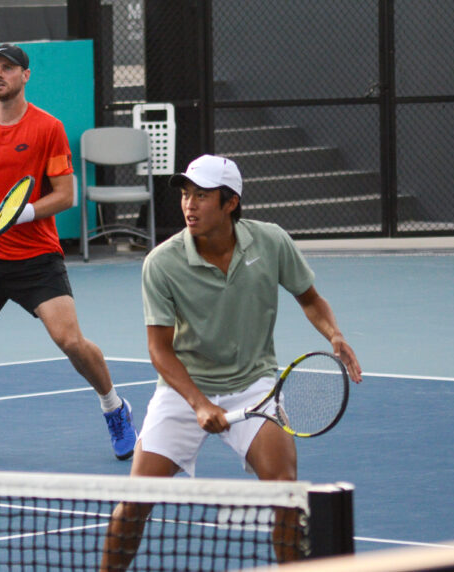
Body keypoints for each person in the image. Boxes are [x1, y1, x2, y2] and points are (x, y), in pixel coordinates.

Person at [100, 154, 363, 569]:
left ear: (230, 203)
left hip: (254, 385)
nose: (189, 204)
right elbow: (160, 350)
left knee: (285, 493)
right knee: (134, 503)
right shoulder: (162, 263)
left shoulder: (271, 241)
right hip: (184, 390)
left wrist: (334, 333)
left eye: (202, 195)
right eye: (186, 194)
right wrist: (199, 403)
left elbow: (310, 299)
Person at [0, 43, 138, 463]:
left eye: (8, 68)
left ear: (26, 76)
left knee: (70, 341)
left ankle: (115, 408)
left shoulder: (48, 128)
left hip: (37, 256)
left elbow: (66, 195)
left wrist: (21, 214)